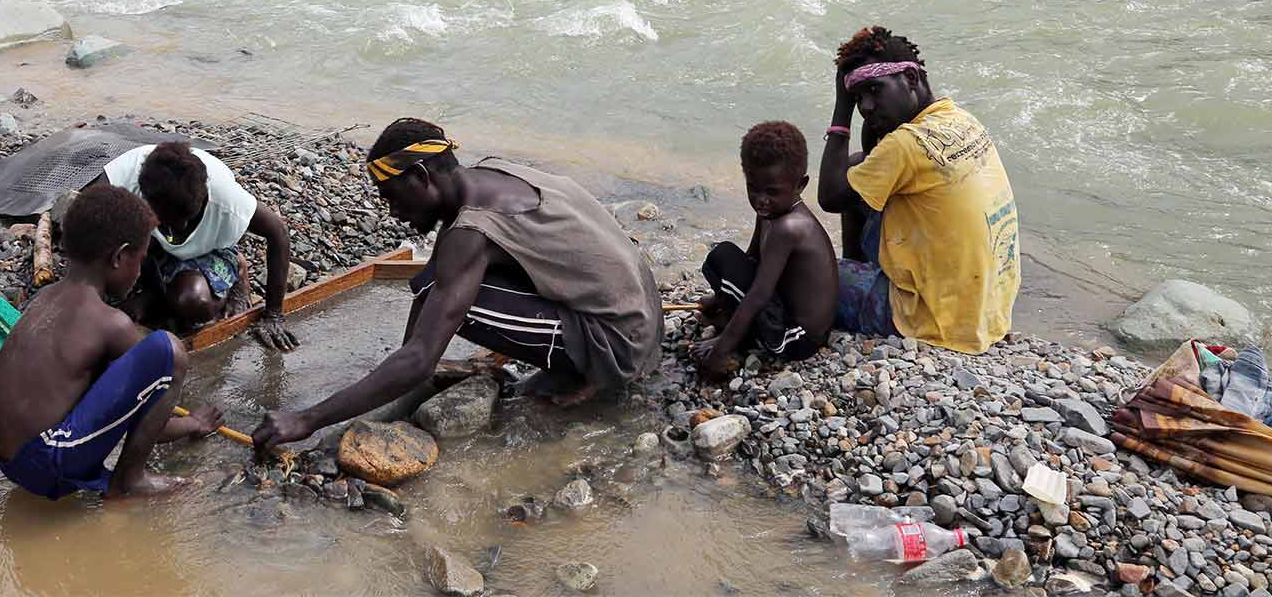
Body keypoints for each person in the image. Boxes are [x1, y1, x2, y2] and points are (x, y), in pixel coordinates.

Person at [251, 118, 662, 453]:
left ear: (420, 176)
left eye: (393, 198)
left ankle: (587, 375)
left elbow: (421, 358)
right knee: (440, 278)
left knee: (440, 293)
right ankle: (399, 374)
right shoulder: (492, 171)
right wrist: (401, 363)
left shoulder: (469, 231)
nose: (394, 213)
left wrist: (306, 419)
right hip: (645, 315)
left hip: (622, 345)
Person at [0, 184, 224, 500]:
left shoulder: (45, 298)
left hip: (5, 457)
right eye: (139, 260)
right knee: (169, 351)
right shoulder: (111, 323)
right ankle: (130, 481)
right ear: (118, 257)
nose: (139, 272)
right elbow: (150, 423)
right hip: (46, 464)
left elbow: (112, 403)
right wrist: (193, 423)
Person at [815, 27, 1020, 354]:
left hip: (932, 320)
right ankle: (859, 274)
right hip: (986, 313)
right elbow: (866, 165)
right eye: (857, 98)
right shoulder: (959, 118)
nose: (865, 106)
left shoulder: (906, 145)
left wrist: (842, 109)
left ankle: (860, 291)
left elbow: (829, 197)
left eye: (873, 90)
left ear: (910, 78)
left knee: (805, 270)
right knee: (859, 174)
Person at [101, 140, 301, 351]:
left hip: (208, 247)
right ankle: (155, 294)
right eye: (170, 219)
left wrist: (274, 314)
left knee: (193, 302)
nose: (182, 226)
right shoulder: (122, 180)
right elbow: (85, 226)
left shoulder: (228, 200)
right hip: (150, 245)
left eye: (188, 218)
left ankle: (237, 269)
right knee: (109, 273)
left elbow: (279, 233)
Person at [692, 121, 837, 378]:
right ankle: (733, 320)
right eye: (753, 188)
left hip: (797, 339)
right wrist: (718, 300)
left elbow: (759, 293)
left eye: (772, 191)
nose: (761, 199)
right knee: (721, 256)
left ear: (800, 185)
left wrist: (721, 349)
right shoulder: (770, 212)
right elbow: (751, 260)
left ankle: (738, 336)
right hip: (782, 311)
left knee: (732, 270)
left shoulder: (789, 227)